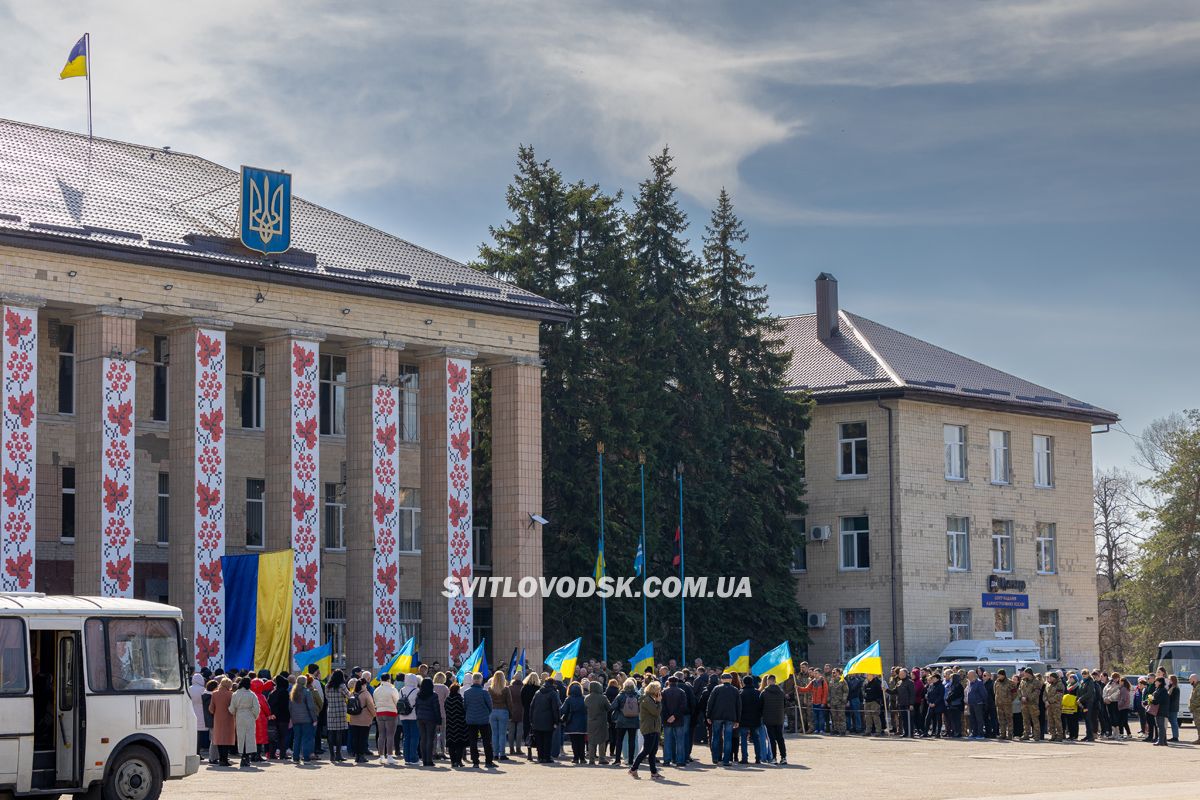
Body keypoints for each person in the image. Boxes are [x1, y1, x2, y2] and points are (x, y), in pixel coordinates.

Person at [629, 680, 663, 779]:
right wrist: (659, 702)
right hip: (649, 728)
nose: (660, 691)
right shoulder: (647, 700)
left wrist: (657, 702)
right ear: (654, 690)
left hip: (653, 728)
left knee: (652, 751)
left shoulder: (650, 699)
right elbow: (656, 712)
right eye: (658, 689)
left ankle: (654, 772)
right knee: (647, 750)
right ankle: (633, 769)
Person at [706, 672, 741, 766]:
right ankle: (726, 760)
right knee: (728, 738)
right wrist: (738, 719)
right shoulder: (735, 690)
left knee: (716, 737)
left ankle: (715, 758)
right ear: (730, 680)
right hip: (730, 717)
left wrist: (708, 715)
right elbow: (738, 706)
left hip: (716, 716)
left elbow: (710, 703)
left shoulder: (716, 689)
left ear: (721, 680)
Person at [463, 672, 496, 767]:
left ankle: (475, 761)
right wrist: (486, 713)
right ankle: (488, 761)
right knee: (486, 741)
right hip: (483, 720)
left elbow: (465, 706)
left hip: (471, 720)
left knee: (473, 741)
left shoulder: (467, 692)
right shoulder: (484, 692)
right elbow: (490, 706)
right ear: (481, 680)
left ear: (473, 680)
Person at [529, 673, 562, 763]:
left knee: (539, 740)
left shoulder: (538, 692)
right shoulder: (553, 693)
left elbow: (532, 706)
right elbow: (555, 709)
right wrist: (556, 721)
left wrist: (531, 720)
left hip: (536, 720)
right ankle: (547, 757)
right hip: (548, 720)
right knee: (548, 739)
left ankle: (540, 757)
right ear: (553, 684)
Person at [229, 677, 261, 768]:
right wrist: (254, 716)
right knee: (249, 736)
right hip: (249, 716)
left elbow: (232, 708)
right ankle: (246, 757)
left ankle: (242, 756)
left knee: (241, 736)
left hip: (239, 716)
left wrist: (236, 713)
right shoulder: (251, 695)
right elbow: (257, 708)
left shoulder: (235, 694)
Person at [288, 675, 318, 763]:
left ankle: (296, 758)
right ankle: (306, 757)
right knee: (306, 738)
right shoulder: (307, 692)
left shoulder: (292, 693)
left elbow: (290, 707)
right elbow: (311, 707)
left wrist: (292, 718)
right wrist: (314, 718)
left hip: (295, 719)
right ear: (304, 682)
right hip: (306, 719)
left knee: (297, 739)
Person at [613, 676, 642, 766]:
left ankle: (617, 760)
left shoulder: (620, 695)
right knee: (632, 740)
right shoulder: (637, 696)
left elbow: (613, 706)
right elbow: (641, 708)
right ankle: (631, 760)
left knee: (619, 740)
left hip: (622, 721)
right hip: (634, 721)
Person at [373, 673, 400, 765]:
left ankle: (381, 756)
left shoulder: (376, 690)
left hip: (379, 712)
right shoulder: (392, 689)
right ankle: (389, 756)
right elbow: (397, 701)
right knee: (390, 735)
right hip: (391, 712)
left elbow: (375, 701)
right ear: (389, 679)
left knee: (381, 734)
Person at [347, 676, 376, 764]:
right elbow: (371, 706)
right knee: (363, 738)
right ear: (364, 685)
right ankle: (361, 756)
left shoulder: (353, 693)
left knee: (355, 738)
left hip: (354, 719)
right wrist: (374, 715)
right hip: (365, 720)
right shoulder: (366, 694)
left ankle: (356, 756)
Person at [737, 674, 766, 762]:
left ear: (744, 682)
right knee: (756, 739)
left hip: (743, 719)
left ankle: (744, 758)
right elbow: (761, 706)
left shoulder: (740, 692)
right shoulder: (757, 692)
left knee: (744, 739)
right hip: (755, 719)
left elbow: (738, 706)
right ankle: (758, 758)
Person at [662, 675, 688, 767]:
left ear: (668, 682)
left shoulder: (664, 692)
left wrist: (668, 717)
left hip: (666, 720)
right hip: (679, 719)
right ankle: (680, 760)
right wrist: (675, 716)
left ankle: (666, 760)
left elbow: (662, 707)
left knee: (667, 741)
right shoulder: (681, 692)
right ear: (677, 682)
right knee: (680, 741)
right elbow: (683, 707)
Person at [415, 676, 442, 767]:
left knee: (423, 739)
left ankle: (424, 760)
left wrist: (418, 716)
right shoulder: (434, 695)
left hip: (420, 718)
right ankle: (429, 760)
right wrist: (439, 721)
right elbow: (436, 709)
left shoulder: (418, 695)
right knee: (430, 739)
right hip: (430, 718)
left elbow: (417, 707)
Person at [760, 674, 787, 764]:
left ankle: (773, 758)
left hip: (768, 719)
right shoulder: (781, 692)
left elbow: (760, 706)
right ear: (775, 681)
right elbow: (784, 705)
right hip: (779, 718)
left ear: (768, 681)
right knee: (780, 738)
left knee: (771, 739)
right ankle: (783, 757)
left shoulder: (764, 692)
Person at [585, 680, 612, 765]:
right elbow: (609, 708)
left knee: (591, 741)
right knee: (602, 740)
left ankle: (591, 759)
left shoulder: (587, 698)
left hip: (590, 721)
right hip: (601, 721)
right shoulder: (602, 697)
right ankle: (601, 758)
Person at [323, 670, 348, 762]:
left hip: (331, 711)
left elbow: (326, 698)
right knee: (339, 733)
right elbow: (349, 696)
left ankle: (331, 755)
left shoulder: (327, 686)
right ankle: (338, 754)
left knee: (331, 733)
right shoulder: (342, 686)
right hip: (340, 711)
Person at [211, 677, 235, 766]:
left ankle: (221, 759)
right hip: (229, 719)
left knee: (219, 739)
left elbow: (211, 708)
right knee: (227, 740)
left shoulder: (214, 694)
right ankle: (224, 760)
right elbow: (233, 708)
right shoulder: (231, 694)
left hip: (217, 719)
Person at [561, 680, 588, 763]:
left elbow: (563, 710)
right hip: (583, 722)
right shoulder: (584, 698)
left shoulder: (569, 699)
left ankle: (576, 758)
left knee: (574, 741)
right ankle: (582, 758)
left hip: (571, 721)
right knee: (581, 741)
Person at [487, 671, 511, 761]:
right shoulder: (506, 689)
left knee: (494, 734)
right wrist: (511, 713)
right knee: (502, 734)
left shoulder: (490, 689)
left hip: (492, 712)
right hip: (503, 711)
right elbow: (509, 702)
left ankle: (495, 754)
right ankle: (502, 754)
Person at [399, 673, 421, 764]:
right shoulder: (416, 690)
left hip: (403, 716)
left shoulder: (401, 690)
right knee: (414, 737)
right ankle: (413, 758)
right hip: (414, 716)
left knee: (406, 737)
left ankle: (406, 758)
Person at [444, 683, 469, 767]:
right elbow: (464, 709)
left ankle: (453, 762)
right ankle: (459, 761)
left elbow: (445, 710)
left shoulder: (447, 699)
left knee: (451, 744)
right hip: (460, 723)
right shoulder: (460, 699)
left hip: (450, 723)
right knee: (460, 744)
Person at [267, 674, 291, 760]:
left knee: (273, 737)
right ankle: (282, 755)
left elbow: (269, 704)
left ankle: (272, 754)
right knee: (283, 737)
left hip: (273, 717)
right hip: (283, 718)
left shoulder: (272, 693)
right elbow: (286, 706)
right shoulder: (285, 693)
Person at [521, 672, 541, 761]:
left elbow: (522, 700)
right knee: (537, 731)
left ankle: (529, 751)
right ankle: (538, 751)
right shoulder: (538, 689)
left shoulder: (524, 688)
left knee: (527, 731)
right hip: (537, 712)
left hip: (526, 711)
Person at [250, 678, 271, 761]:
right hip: (260, 718)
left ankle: (252, 755)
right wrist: (269, 714)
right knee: (260, 737)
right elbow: (265, 707)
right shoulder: (260, 696)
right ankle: (257, 755)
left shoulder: (250, 694)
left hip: (251, 718)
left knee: (253, 737)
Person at [1018, 669, 1041, 741]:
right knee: (1025, 720)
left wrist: (1027, 698)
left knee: (1035, 720)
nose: (1023, 674)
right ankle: (1026, 734)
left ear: (1029, 673)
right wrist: (1021, 697)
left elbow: (1037, 692)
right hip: (1024, 704)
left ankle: (1037, 735)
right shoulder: (1023, 681)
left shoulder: (1036, 681)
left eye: (1024, 673)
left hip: (1033, 704)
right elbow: (1019, 690)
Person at [189, 673, 209, 756]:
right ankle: (198, 753)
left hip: (191, 711)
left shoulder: (189, 688)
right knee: (199, 735)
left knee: (192, 734)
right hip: (201, 712)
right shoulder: (203, 689)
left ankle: (192, 752)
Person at [992, 670, 1014, 740]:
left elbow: (1014, 692)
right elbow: (995, 692)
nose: (998, 676)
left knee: (1009, 719)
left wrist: (1010, 699)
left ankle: (1010, 735)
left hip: (1007, 704)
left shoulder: (1010, 682)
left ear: (1003, 675)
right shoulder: (996, 682)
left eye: (1000, 675)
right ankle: (1003, 734)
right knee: (1001, 720)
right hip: (999, 704)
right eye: (998, 675)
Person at [433, 672, 450, 759]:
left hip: (433, 713)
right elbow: (448, 700)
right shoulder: (445, 688)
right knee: (443, 733)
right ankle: (443, 752)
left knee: (434, 733)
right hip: (443, 712)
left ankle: (434, 752)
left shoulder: (432, 687)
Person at [1148, 677, 1169, 746]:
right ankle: (1164, 741)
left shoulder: (1162, 690)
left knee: (1160, 726)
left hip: (1161, 710)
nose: (1155, 683)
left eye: (1156, 681)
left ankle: (1160, 741)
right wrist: (1147, 701)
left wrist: (1150, 700)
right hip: (1159, 710)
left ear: (1160, 682)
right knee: (1160, 726)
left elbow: (1157, 701)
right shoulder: (1159, 689)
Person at [507, 674, 525, 758]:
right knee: (519, 732)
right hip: (521, 711)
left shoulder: (509, 688)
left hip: (511, 711)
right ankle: (518, 748)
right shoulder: (523, 687)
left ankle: (511, 748)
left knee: (511, 731)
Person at [966, 671, 987, 740]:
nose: (968, 676)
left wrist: (981, 702)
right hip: (971, 704)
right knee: (972, 719)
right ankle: (974, 733)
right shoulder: (970, 683)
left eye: (969, 675)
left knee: (979, 719)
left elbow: (984, 694)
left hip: (978, 704)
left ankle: (980, 734)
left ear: (973, 675)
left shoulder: (979, 683)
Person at [1043, 673, 1064, 742]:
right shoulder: (1048, 684)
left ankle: (1060, 736)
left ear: (1054, 678)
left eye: (1050, 677)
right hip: (1049, 706)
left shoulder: (1059, 684)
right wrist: (1045, 701)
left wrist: (1049, 701)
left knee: (1057, 720)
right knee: (1050, 721)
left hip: (1056, 705)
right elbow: (1045, 693)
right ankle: (1053, 735)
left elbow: (1059, 695)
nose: (1049, 678)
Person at [828, 669, 849, 736]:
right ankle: (835, 730)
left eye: (834, 672)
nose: (833, 674)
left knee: (841, 717)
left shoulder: (842, 680)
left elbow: (846, 691)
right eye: (832, 672)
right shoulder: (831, 681)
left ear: (838, 673)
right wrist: (828, 701)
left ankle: (842, 731)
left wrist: (844, 700)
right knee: (834, 717)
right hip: (832, 702)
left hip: (840, 702)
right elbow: (829, 692)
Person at [923, 672, 944, 738]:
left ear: (938, 679)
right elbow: (927, 695)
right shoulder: (931, 685)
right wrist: (929, 702)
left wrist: (935, 703)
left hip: (938, 705)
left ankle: (938, 733)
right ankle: (925, 732)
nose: (933, 679)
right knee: (927, 718)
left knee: (938, 719)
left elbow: (940, 696)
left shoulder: (941, 686)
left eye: (934, 678)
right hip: (930, 705)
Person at [945, 672, 964, 738]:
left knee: (957, 719)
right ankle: (954, 731)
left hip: (957, 705)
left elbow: (955, 695)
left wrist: (948, 698)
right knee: (952, 719)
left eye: (951, 678)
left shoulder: (958, 686)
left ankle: (958, 732)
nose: (950, 679)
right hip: (951, 705)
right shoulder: (952, 685)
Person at [1166, 675, 1181, 741]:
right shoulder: (1171, 687)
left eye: (1169, 679)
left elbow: (1173, 699)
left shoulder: (1175, 688)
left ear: (1172, 680)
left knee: (1174, 722)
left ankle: (1175, 737)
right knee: (1173, 722)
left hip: (1173, 708)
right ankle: (1175, 736)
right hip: (1171, 707)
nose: (1169, 681)